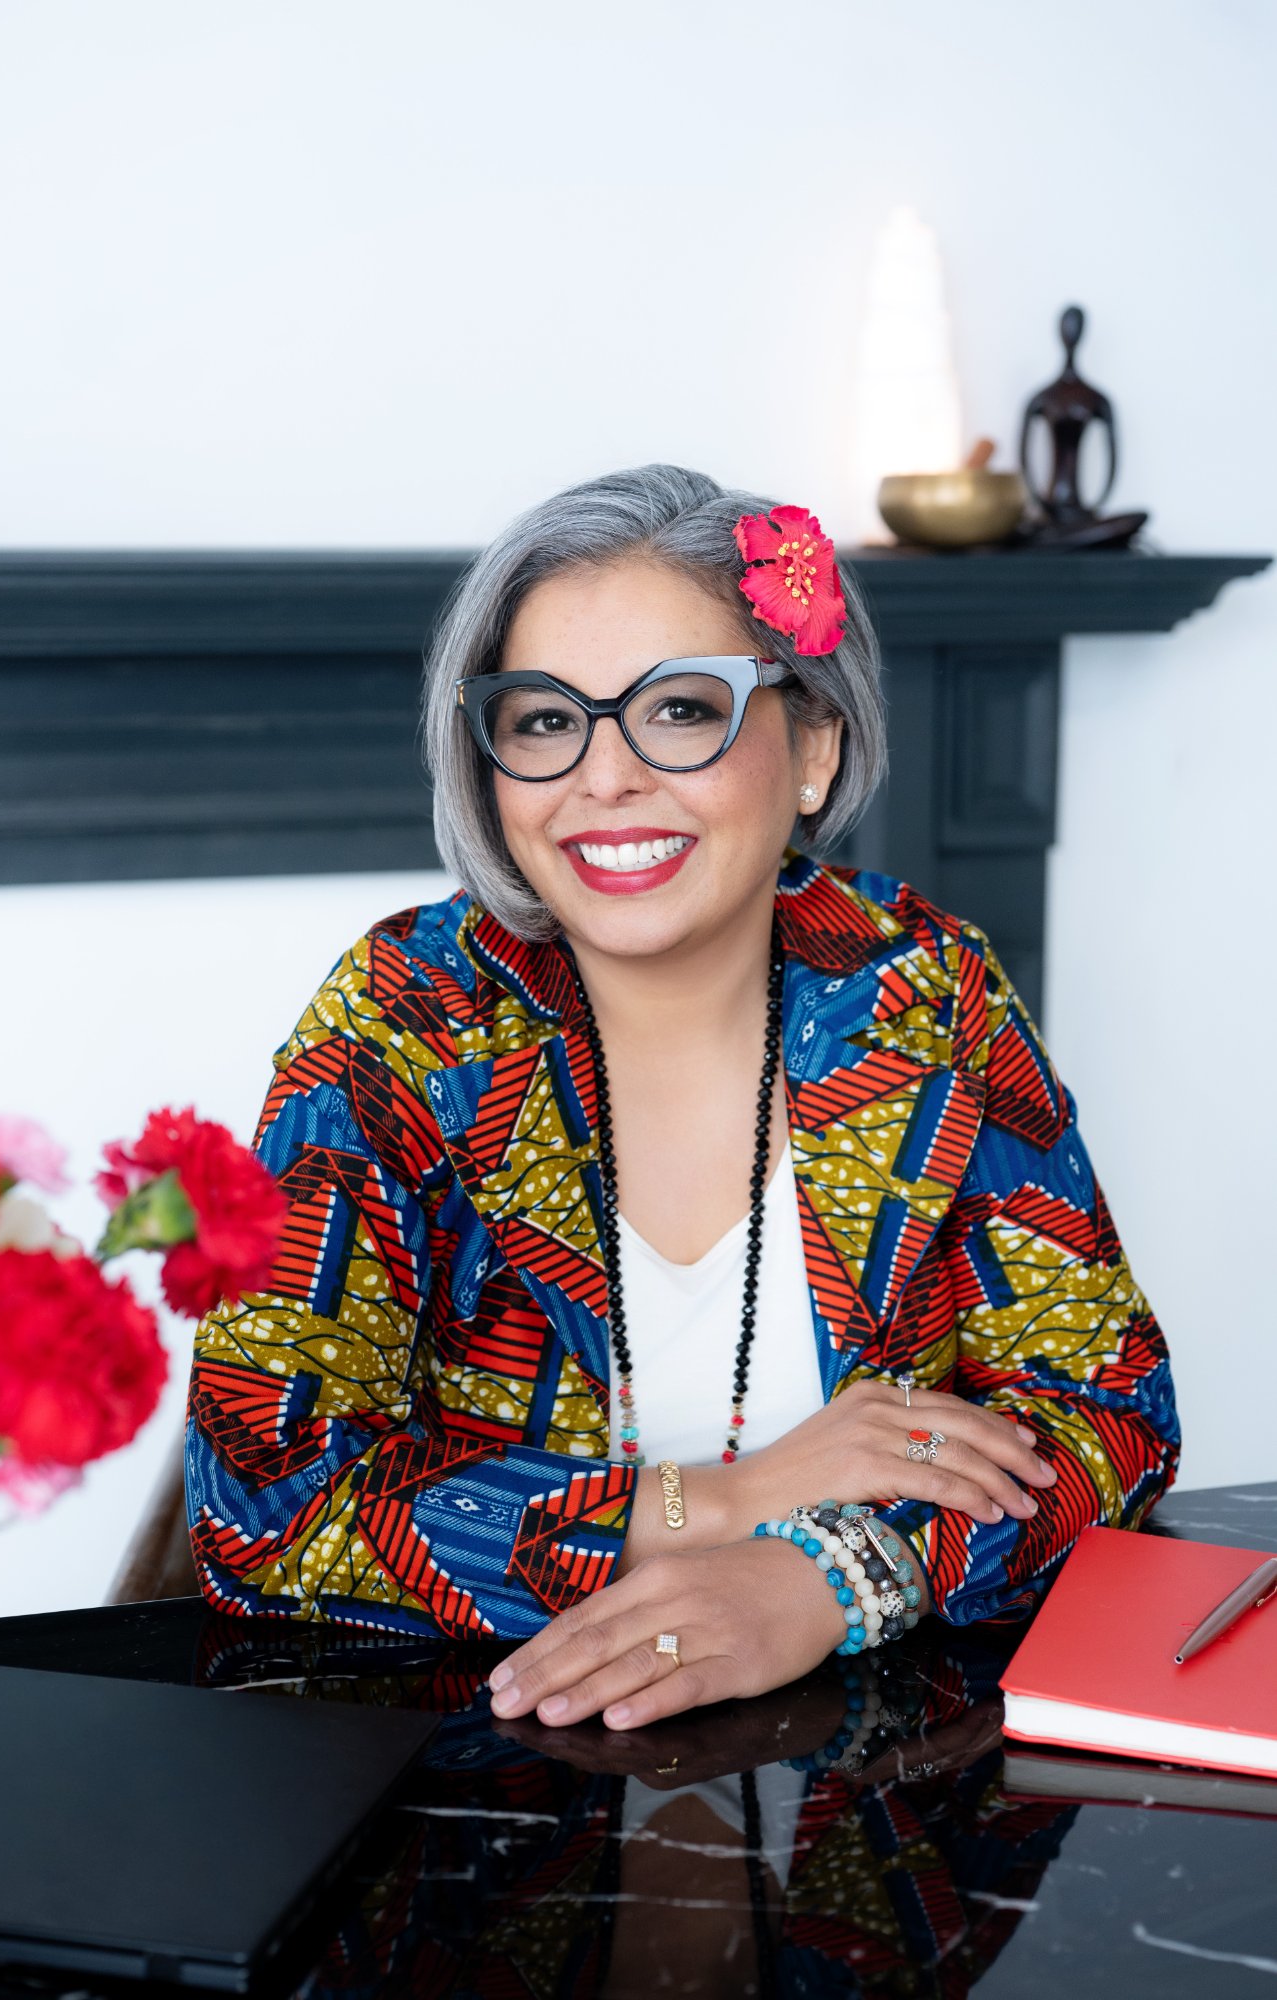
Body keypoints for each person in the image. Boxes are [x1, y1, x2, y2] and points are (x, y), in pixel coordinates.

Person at [184, 463, 1179, 1736]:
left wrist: (826, 1578)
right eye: (545, 720)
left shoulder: (922, 989)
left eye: (680, 709)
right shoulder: (405, 1022)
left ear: (812, 743)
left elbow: (1109, 1410)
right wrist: (718, 1500)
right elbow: (264, 1500)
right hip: (484, 1790)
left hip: (869, 1816)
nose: (603, 777)